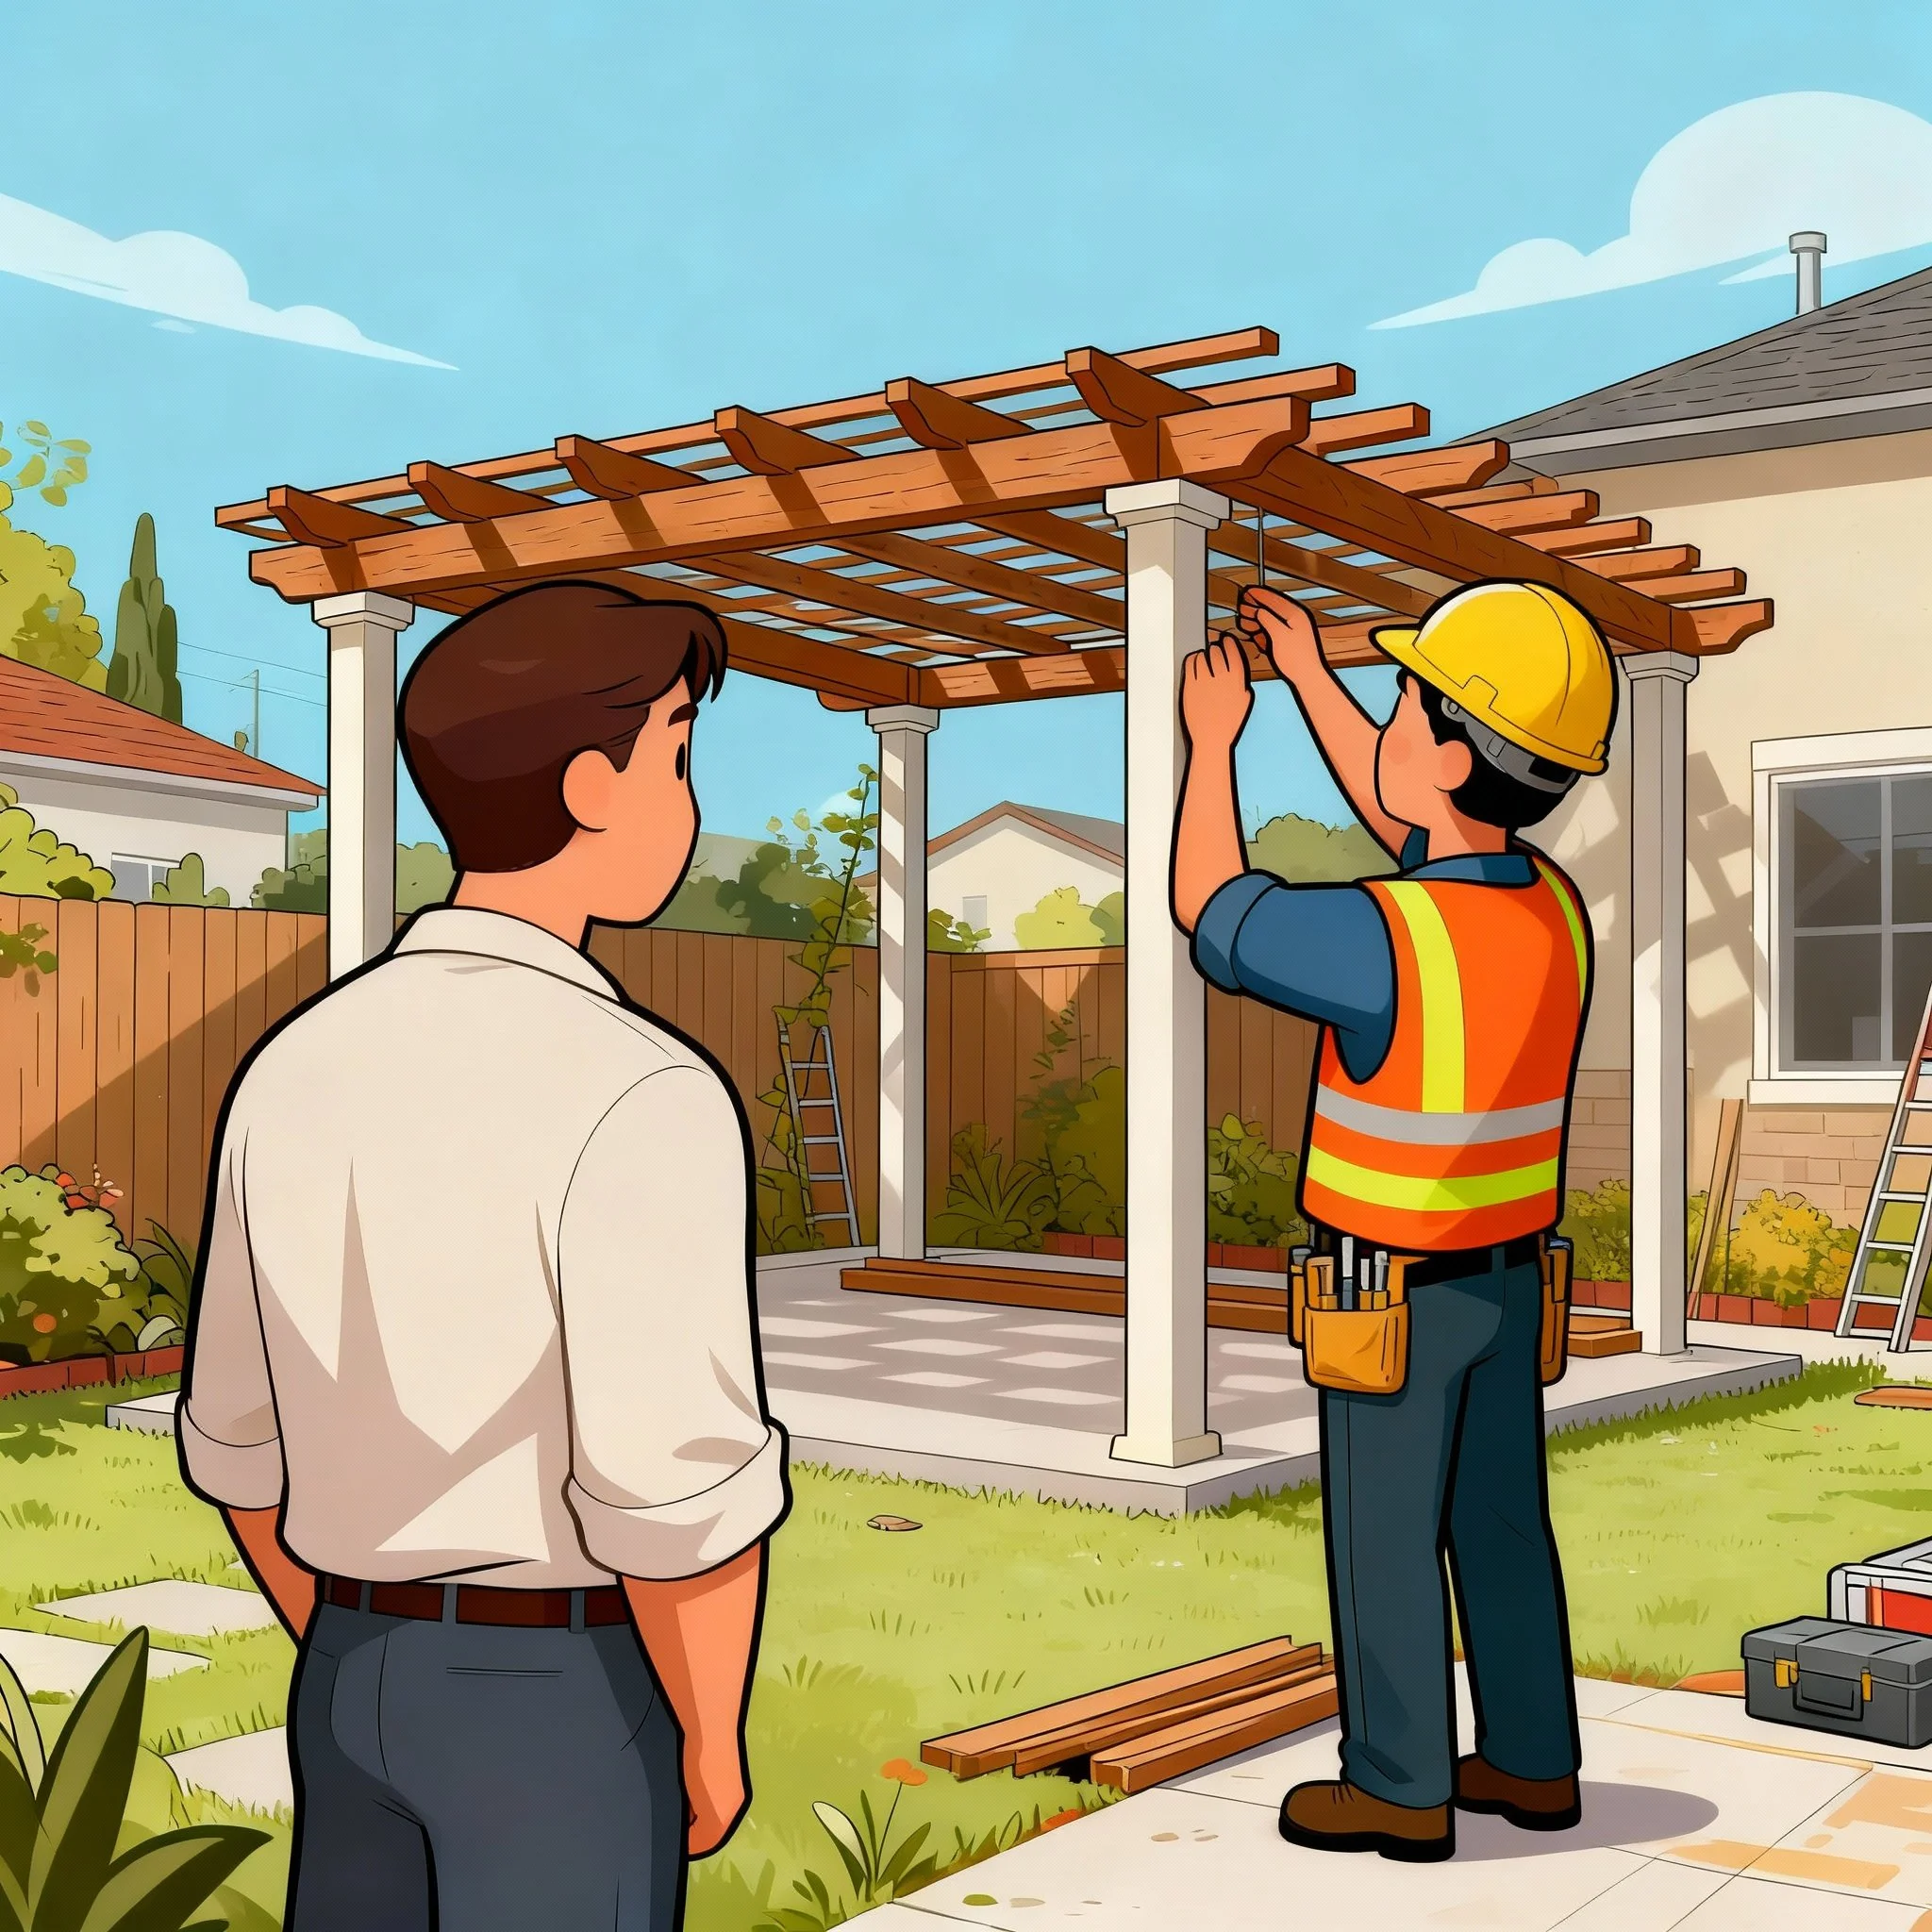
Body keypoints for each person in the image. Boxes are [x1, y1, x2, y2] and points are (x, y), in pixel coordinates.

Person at [177, 580, 790, 1930]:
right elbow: (677, 1500)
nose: (687, 800)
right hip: (557, 1698)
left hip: (343, 1669)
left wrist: (362, 1632)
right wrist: (705, 1735)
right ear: (590, 786)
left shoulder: (292, 1068)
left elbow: (234, 1442)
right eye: (676, 757)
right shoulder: (640, 1089)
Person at [1172, 577, 1615, 1864]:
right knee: (1500, 1528)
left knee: (1382, 1538)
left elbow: (1212, 909)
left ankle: (1400, 1786)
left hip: (1395, 1291)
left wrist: (1216, 744)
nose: (1388, 727)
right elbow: (1413, 815)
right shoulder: (1543, 909)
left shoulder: (1386, 935)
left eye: (1405, 706)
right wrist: (1313, 676)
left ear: (1454, 750)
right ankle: (1534, 1764)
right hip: (1511, 1284)